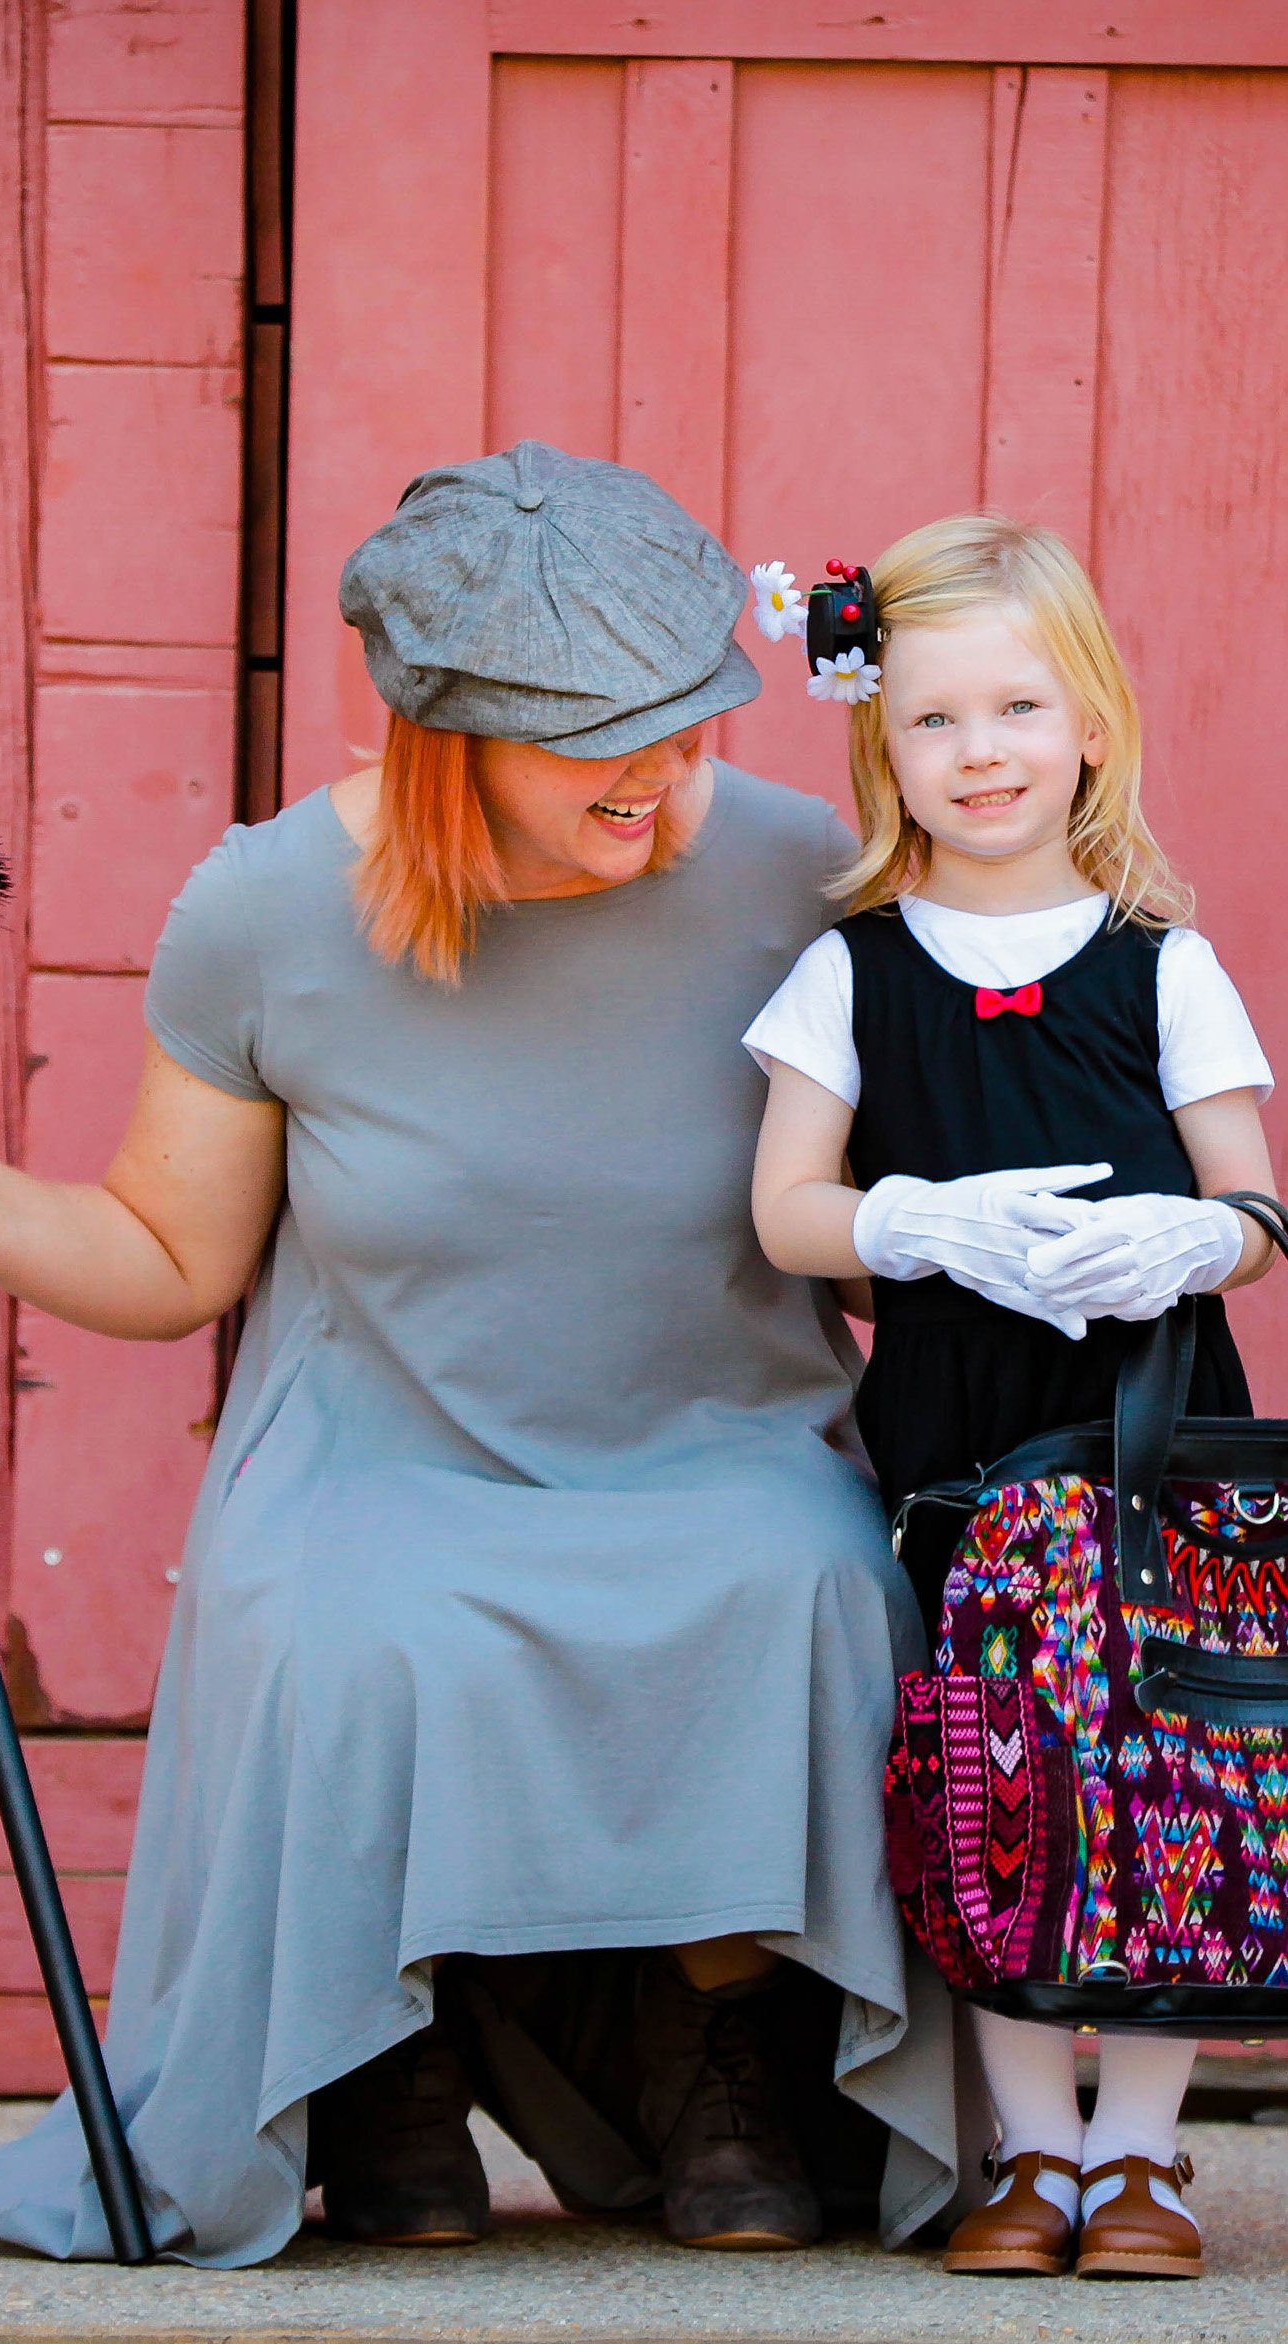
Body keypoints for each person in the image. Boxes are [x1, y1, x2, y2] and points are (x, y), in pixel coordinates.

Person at [0, 443, 956, 2263]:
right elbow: (172, 1259)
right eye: (597, 737)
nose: (658, 774)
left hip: (722, 1453)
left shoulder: (808, 873)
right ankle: (373, 2070)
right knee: (361, 1627)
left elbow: (904, 1213)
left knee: (801, 1586)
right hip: (381, 1463)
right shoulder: (265, 908)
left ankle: (722, 2056)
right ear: (451, 732)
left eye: (686, 721)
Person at [747, 513, 1278, 2282]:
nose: (979, 754)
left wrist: (1195, 1246)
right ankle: (1025, 2155)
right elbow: (785, 1204)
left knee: (1162, 1765)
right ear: (878, 745)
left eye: (1017, 711)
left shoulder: (1157, 961)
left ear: (1093, 723)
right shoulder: (856, 972)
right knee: (1000, 1768)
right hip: (959, 1445)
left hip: (1150, 1438)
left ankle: (1141, 2159)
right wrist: (909, 1225)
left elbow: (1255, 1201)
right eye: (932, 721)